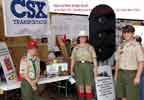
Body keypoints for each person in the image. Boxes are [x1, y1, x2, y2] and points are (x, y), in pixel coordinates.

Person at [114, 25, 144, 100]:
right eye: (124, 32)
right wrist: (116, 75)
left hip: (131, 74)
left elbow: (141, 62)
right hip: (121, 73)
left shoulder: (137, 46)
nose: (126, 34)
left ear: (133, 34)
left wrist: (137, 77)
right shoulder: (120, 46)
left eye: (128, 32)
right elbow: (117, 61)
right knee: (122, 96)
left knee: (131, 97)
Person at [70, 30, 98, 100]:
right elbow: (73, 60)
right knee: (80, 87)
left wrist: (95, 69)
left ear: (86, 38)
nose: (82, 39)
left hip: (88, 67)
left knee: (88, 86)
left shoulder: (90, 47)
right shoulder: (75, 48)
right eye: (81, 37)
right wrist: (71, 70)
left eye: (84, 37)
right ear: (79, 38)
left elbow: (94, 59)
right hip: (78, 67)